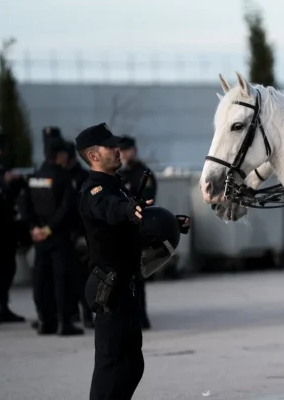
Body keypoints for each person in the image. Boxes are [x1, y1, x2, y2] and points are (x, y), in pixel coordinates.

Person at [75, 122, 190, 400]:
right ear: (93, 156)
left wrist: (168, 224)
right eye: (111, 147)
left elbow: (131, 224)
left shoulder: (118, 186)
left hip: (127, 285)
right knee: (111, 366)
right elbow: (111, 211)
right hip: (109, 288)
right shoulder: (96, 192)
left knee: (132, 364)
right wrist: (128, 209)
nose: (118, 151)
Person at [20, 138, 84, 336]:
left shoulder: (34, 176)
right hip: (58, 237)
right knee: (61, 281)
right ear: (60, 156)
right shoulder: (63, 178)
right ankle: (64, 323)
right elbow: (67, 208)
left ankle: (45, 321)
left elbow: (24, 206)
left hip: (39, 238)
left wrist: (34, 228)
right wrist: (49, 229)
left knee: (41, 280)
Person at [117, 135, 157, 329]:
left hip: (137, 230)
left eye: (127, 150)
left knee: (137, 277)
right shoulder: (119, 174)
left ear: (134, 150)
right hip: (120, 231)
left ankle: (141, 316)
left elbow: (148, 199)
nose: (124, 154)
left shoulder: (144, 174)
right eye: (121, 151)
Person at [0, 130, 26, 328]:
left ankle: (2, 308)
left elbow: (10, 194)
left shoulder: (1, 166)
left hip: (5, 225)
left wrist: (16, 181)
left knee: (7, 268)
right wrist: (4, 183)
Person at [66, 140, 94, 328]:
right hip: (65, 236)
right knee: (68, 279)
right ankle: (71, 313)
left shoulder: (84, 177)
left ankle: (86, 315)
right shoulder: (61, 176)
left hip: (83, 236)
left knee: (85, 277)